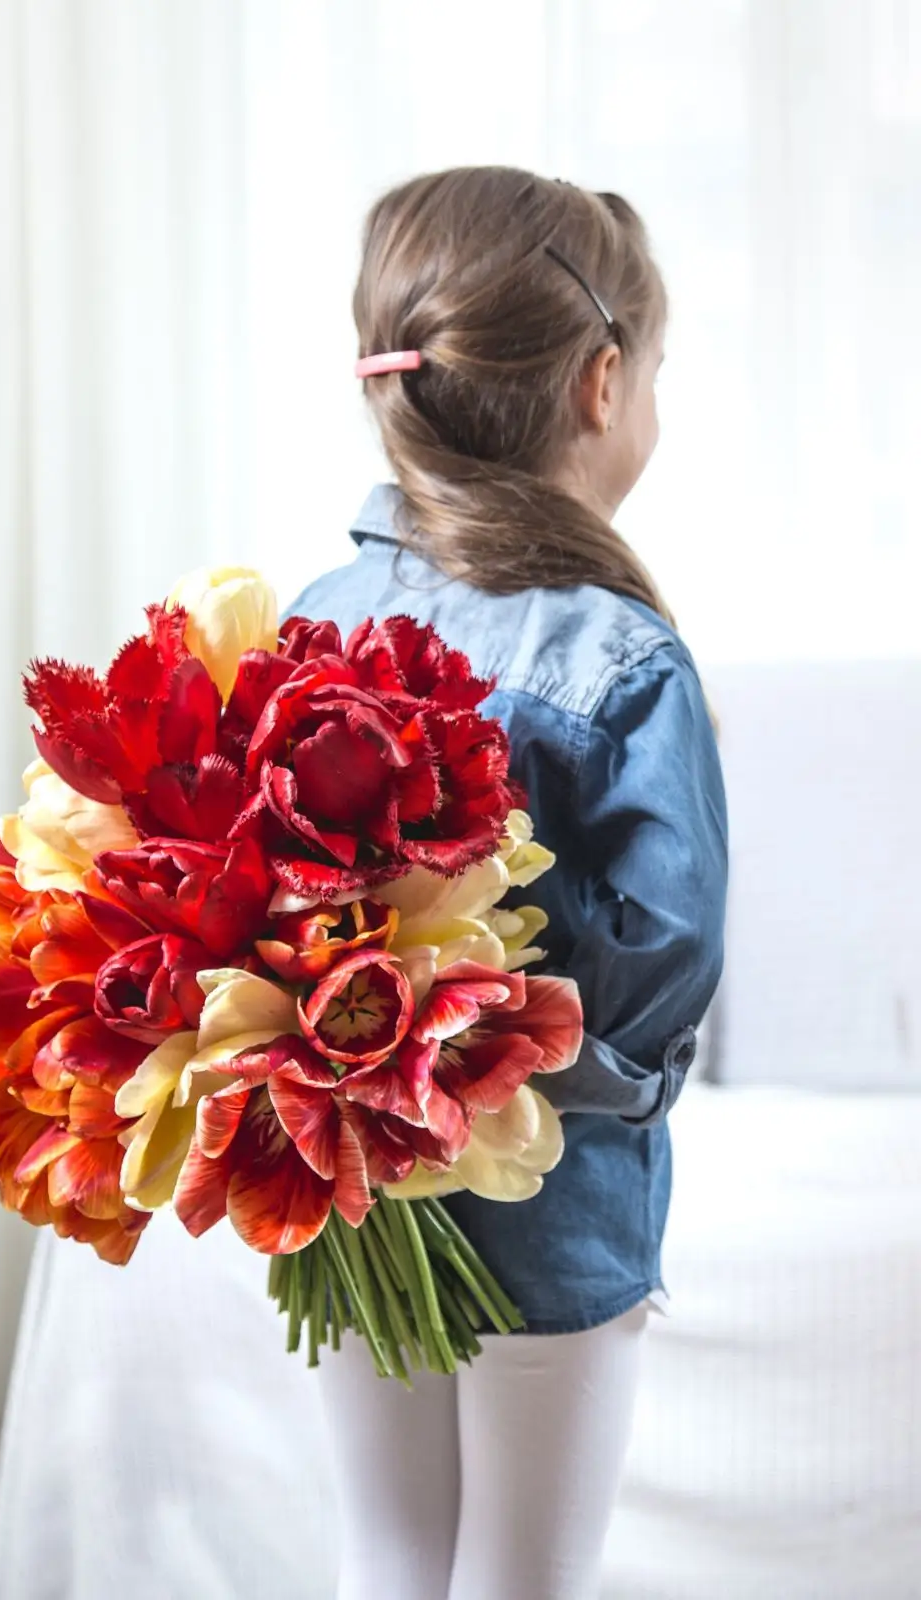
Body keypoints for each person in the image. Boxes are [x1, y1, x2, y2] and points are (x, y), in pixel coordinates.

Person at [286, 167, 728, 1600]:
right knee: (529, 1580)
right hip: (561, 1197)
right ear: (604, 384)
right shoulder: (621, 652)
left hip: (350, 1192)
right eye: (654, 369)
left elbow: (247, 906)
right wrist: (570, 1061)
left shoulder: (309, 619)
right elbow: (664, 963)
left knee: (388, 1565)